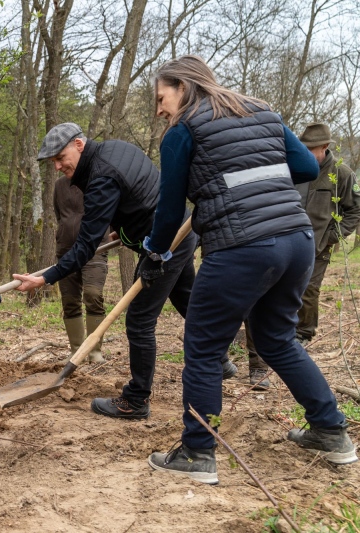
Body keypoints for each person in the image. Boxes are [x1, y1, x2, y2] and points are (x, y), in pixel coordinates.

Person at [144, 55, 357, 485]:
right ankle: (331, 431)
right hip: (297, 242)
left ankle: (197, 452)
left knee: (203, 349)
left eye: (160, 97)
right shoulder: (260, 109)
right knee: (278, 339)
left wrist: (154, 249)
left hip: (243, 247)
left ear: (182, 88)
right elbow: (305, 167)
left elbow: (169, 211)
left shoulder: (182, 130)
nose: (159, 109)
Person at [13, 122, 209, 420]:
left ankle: (136, 400)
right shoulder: (114, 149)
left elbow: (85, 247)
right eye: (52, 161)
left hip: (165, 244)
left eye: (59, 157)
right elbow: (140, 195)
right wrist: (125, 230)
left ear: (79, 145)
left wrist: (46, 277)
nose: (56, 166)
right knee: (189, 303)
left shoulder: (100, 177)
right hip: (179, 230)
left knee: (140, 320)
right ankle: (218, 358)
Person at [294, 123, 360, 344]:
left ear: (324, 147)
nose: (306, 153)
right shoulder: (297, 169)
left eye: (311, 149)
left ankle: (304, 332)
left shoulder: (341, 174)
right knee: (286, 287)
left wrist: (332, 236)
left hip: (319, 243)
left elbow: (355, 210)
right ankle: (285, 329)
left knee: (309, 289)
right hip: (291, 241)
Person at [54, 176, 109, 362]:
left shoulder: (98, 180)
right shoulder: (60, 185)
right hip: (66, 250)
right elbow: (59, 214)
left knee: (93, 294)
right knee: (69, 300)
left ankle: (94, 351)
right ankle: (76, 351)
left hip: (95, 249)